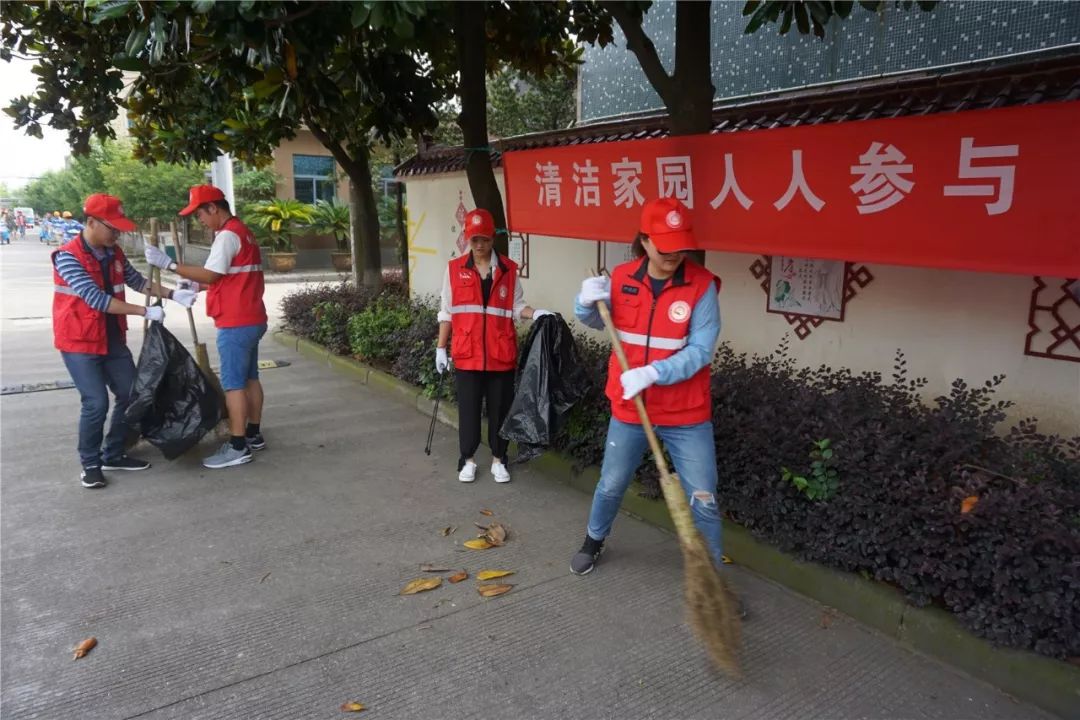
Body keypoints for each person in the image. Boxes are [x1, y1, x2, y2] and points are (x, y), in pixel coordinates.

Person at [569, 198, 723, 576]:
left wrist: (654, 372)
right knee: (611, 483)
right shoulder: (621, 279)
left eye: (680, 246)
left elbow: (701, 351)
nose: (674, 255)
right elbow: (595, 321)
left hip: (685, 413)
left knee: (703, 499)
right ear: (645, 240)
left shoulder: (702, 287)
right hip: (630, 408)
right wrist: (584, 302)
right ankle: (593, 540)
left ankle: (712, 580)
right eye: (665, 246)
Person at [53, 193, 198, 489]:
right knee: (95, 403)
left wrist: (172, 294)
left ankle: (114, 453)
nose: (116, 234)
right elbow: (96, 299)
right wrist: (145, 311)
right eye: (112, 228)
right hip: (79, 341)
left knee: (132, 394)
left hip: (112, 338)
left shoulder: (115, 253)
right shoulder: (67, 256)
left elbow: (137, 281)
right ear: (91, 222)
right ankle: (90, 463)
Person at [144, 184, 268, 470]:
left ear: (213, 208)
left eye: (199, 213)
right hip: (252, 318)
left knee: (234, 384)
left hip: (236, 322)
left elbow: (213, 274)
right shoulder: (243, 232)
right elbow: (228, 276)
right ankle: (254, 433)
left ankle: (238, 447)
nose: (199, 219)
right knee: (250, 378)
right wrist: (195, 284)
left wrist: (171, 265)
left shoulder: (226, 236)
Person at [435, 208, 552, 484]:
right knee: (469, 411)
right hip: (467, 354)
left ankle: (500, 459)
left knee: (500, 410)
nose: (479, 245)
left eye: (484, 239)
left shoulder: (509, 270)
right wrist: (441, 347)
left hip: (500, 354)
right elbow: (446, 311)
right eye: (474, 239)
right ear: (467, 238)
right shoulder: (453, 270)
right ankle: (468, 459)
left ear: (492, 238)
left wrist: (534, 314)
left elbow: (517, 306)